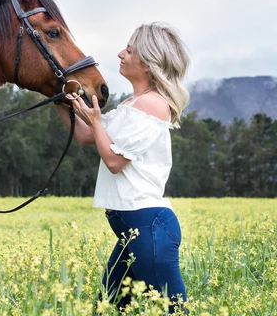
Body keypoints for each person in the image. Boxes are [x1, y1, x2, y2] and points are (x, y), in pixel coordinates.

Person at [55, 22, 190, 314]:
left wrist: (94, 119)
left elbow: (114, 161)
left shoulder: (154, 104)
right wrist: (56, 96)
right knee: (109, 309)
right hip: (131, 231)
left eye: (129, 50)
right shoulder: (132, 104)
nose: (120, 54)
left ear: (148, 61)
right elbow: (84, 136)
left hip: (148, 226)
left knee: (174, 312)